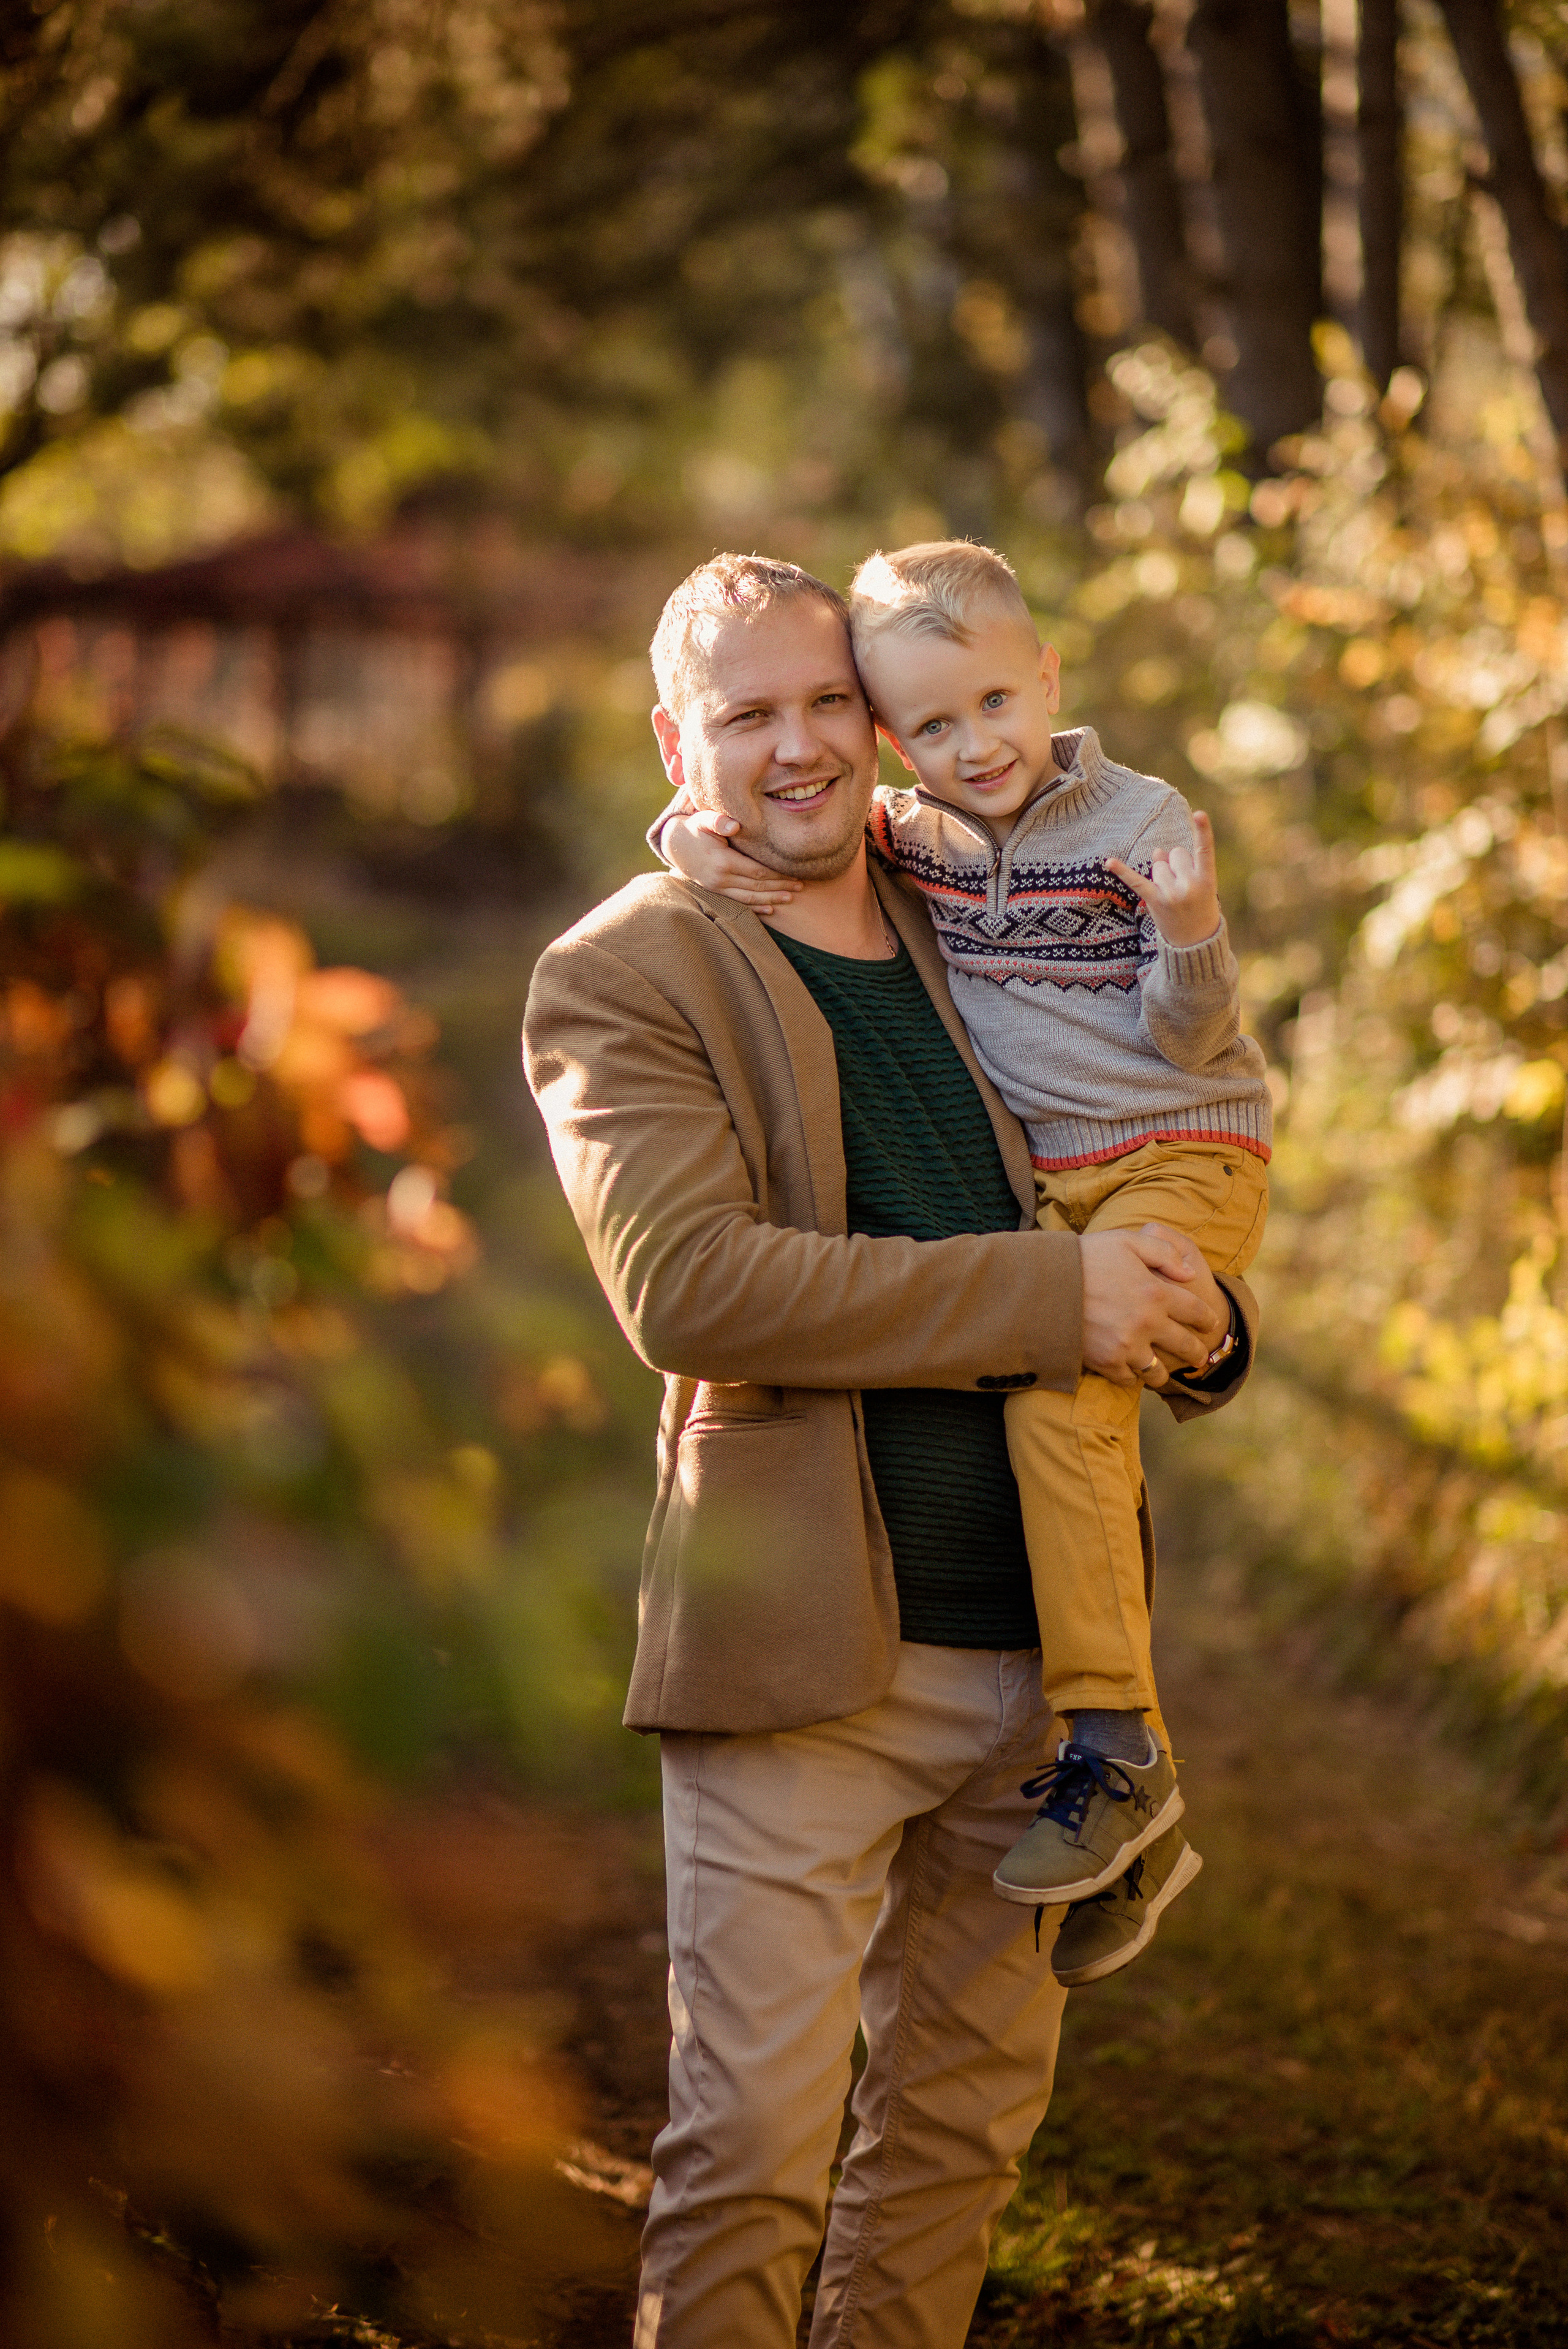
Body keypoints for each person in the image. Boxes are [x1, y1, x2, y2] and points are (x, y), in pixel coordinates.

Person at [522, 553, 1257, 2349]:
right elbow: (692, 1285)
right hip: (803, 1659)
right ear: (673, 738)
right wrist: (1047, 1301)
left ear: (875, 714)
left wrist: (1204, 1324)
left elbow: (1122, 1145)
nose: (798, 748)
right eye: (747, 714)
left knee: (952, 2147)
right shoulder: (625, 972)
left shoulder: (969, 912)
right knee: (753, 2153)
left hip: (1045, 1669)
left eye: (825, 702)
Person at [655, 539, 1270, 1969]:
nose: (969, 745)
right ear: (894, 740)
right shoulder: (909, 845)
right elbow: (765, 828)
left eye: (993, 707)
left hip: (1176, 1141)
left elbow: (1196, 1040)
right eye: (927, 726)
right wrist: (688, 841)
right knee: (1055, 1404)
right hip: (1054, 1201)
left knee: (1064, 1409)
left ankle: (1120, 1746)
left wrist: (1188, 929)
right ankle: (1121, 1777)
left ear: (1044, 681)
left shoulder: (1131, 819)